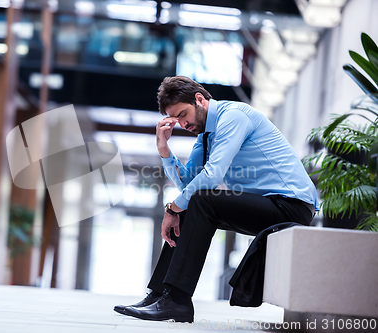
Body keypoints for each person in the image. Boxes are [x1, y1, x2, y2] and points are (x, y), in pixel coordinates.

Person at [113, 76, 319, 323]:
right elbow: (188, 184)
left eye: (183, 114)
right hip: (267, 205)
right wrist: (164, 151)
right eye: (175, 119)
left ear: (199, 99)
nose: (181, 124)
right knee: (191, 204)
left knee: (198, 201)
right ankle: (161, 295)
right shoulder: (206, 135)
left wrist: (171, 208)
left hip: (291, 206)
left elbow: (211, 178)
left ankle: (177, 300)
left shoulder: (233, 117)